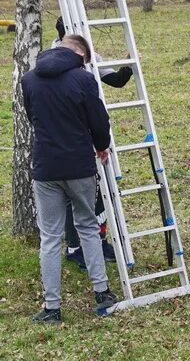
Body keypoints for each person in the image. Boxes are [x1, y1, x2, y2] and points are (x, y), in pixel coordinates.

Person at [22, 34, 119, 325]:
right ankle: (102, 292)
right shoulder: (83, 79)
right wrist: (101, 145)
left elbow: (32, 117)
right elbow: (99, 121)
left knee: (50, 238)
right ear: (81, 55)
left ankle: (52, 307)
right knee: (88, 227)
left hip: (46, 167)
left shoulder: (29, 80)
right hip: (78, 165)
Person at [53, 17, 133, 270]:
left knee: (98, 192)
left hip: (88, 133)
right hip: (65, 136)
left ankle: (99, 239)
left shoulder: (88, 55)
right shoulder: (50, 59)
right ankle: (75, 248)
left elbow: (116, 80)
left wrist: (129, 62)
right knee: (72, 196)